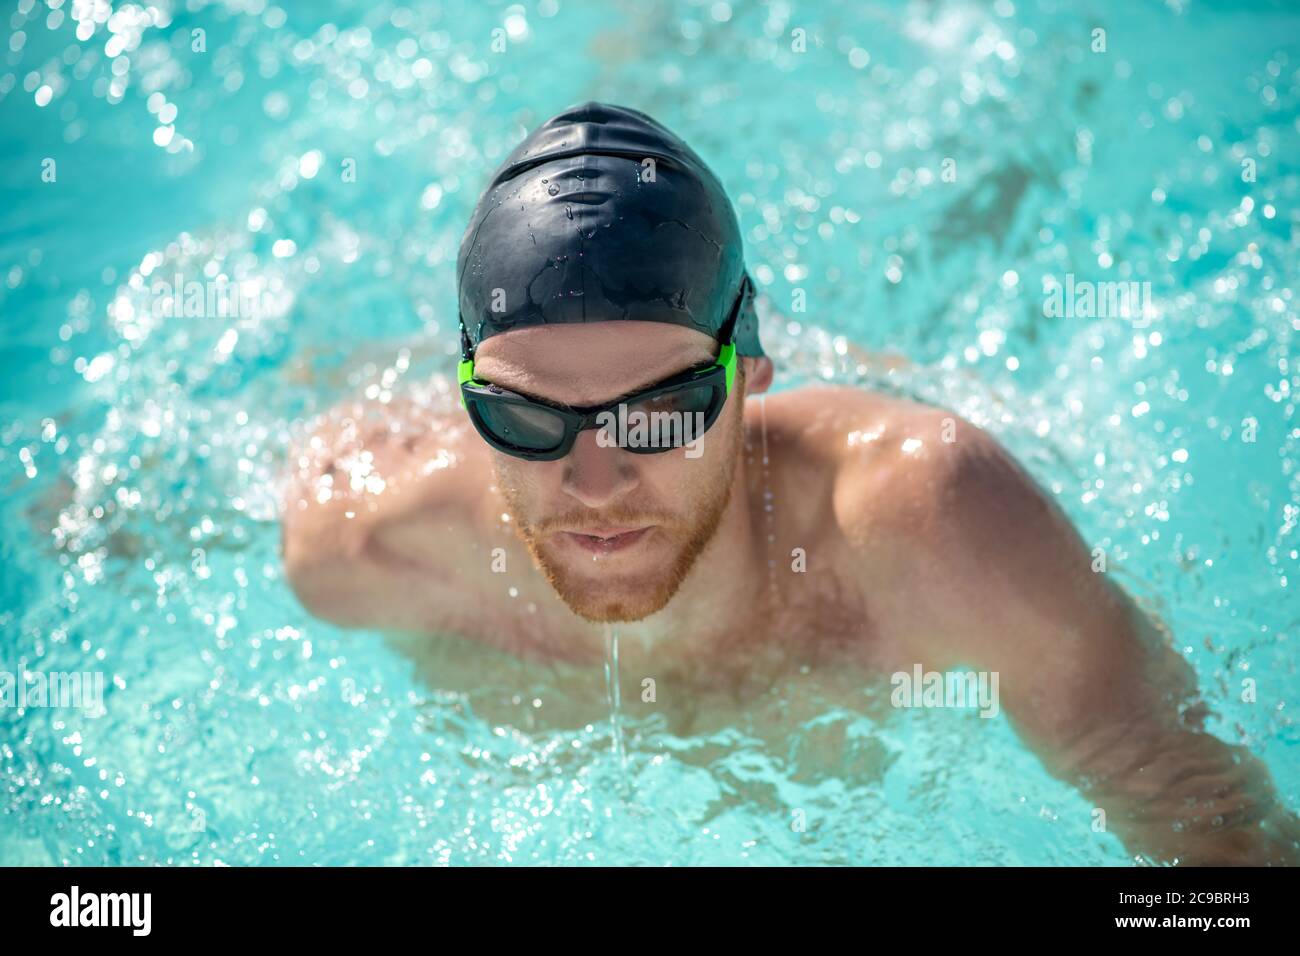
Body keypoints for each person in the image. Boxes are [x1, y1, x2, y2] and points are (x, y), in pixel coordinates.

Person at [281, 102, 1298, 865]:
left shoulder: (932, 525)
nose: (593, 480)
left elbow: (1210, 835)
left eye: (660, 410)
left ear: (754, 371)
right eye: (526, 414)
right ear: (464, 391)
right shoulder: (365, 543)